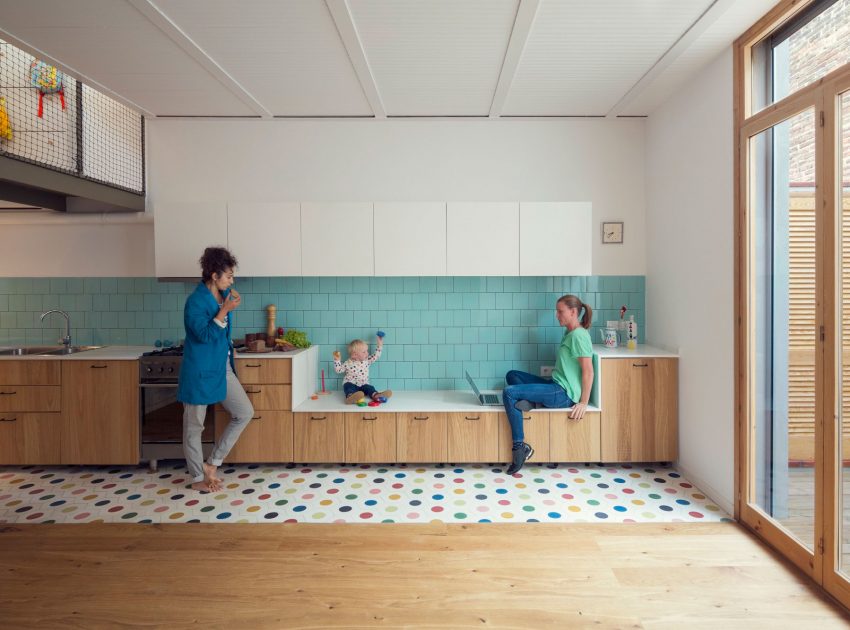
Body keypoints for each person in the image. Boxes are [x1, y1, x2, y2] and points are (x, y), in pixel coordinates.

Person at [178, 246, 254, 492]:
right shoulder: (195, 302)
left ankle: (213, 463)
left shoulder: (225, 295)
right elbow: (203, 335)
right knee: (194, 427)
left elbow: (222, 331)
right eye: (229, 276)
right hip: (200, 370)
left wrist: (228, 305)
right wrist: (225, 311)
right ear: (214, 275)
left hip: (221, 367)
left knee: (244, 412)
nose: (232, 280)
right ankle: (198, 478)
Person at [502, 294, 594, 475]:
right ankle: (533, 403)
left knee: (509, 393)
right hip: (555, 384)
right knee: (512, 375)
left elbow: (588, 371)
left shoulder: (579, 336)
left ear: (573, 312)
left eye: (560, 312)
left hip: (562, 394)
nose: (557, 315)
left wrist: (583, 402)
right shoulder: (570, 332)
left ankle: (520, 448)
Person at [333, 336, 392, 404]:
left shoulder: (367, 361)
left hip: (363, 384)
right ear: (355, 355)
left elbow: (376, 356)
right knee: (347, 386)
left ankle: (377, 395)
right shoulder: (348, 363)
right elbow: (339, 370)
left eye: (366, 351)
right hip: (351, 383)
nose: (367, 353)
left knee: (370, 388)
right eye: (364, 352)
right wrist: (337, 360)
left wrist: (380, 345)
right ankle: (350, 397)